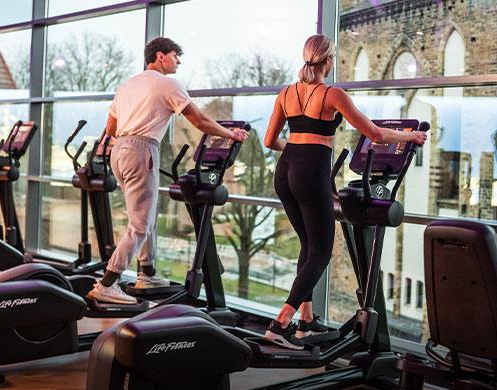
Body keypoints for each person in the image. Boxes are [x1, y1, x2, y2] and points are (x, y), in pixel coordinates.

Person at [262, 34, 427, 349]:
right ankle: (279, 324)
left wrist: (295, 154)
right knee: (322, 252)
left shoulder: (285, 93)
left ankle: (305, 322)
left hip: (285, 170)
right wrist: (410, 137)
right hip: (311, 171)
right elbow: (375, 134)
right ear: (328, 61)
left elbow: (270, 141)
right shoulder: (333, 94)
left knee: (308, 245)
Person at [87, 37, 250, 305]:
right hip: (142, 149)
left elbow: (111, 130)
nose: (179, 61)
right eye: (176, 56)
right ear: (161, 56)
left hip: (120, 151)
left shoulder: (127, 85)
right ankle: (108, 282)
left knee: (145, 214)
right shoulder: (167, 84)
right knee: (141, 224)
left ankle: (147, 272)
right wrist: (230, 134)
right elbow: (200, 120)